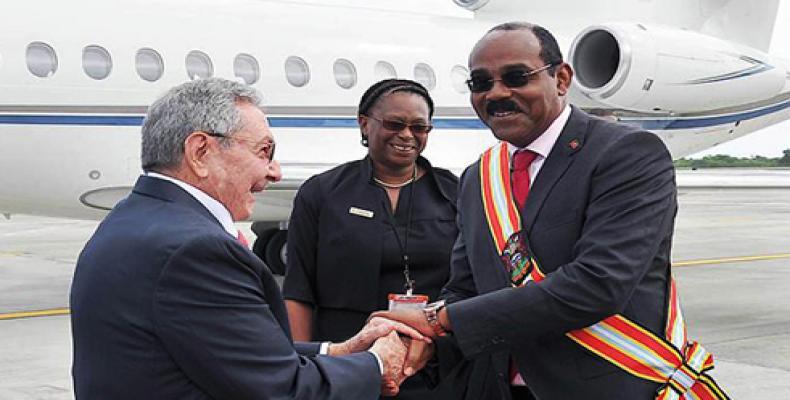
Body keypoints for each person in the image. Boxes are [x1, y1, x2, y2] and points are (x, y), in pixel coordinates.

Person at [374, 23, 728, 400]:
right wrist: (415, 343)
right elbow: (466, 288)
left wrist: (438, 319)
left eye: (516, 77)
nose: (496, 93)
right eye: (481, 83)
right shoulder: (479, 176)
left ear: (561, 79)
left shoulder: (628, 154)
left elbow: (597, 284)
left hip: (604, 385)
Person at [70, 77, 430, 399]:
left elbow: (227, 355)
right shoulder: (197, 252)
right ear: (200, 153)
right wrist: (377, 363)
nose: (274, 172)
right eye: (264, 152)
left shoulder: (134, 219)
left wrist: (336, 351)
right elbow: (282, 389)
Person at [282, 79, 459, 399]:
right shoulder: (322, 193)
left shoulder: (456, 194)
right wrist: (301, 365)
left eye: (420, 127)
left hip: (431, 365)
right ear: (364, 123)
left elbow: (471, 284)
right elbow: (298, 289)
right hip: (346, 363)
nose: (407, 135)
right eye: (394, 124)